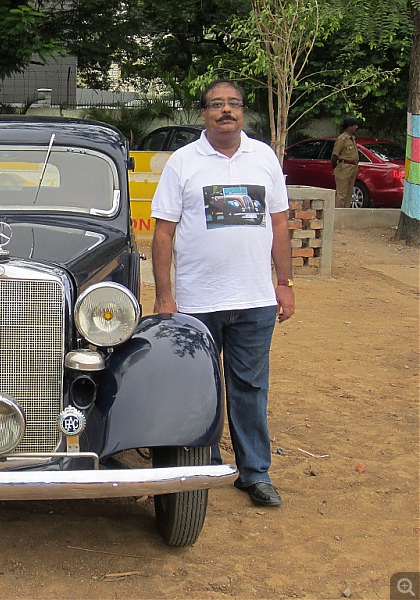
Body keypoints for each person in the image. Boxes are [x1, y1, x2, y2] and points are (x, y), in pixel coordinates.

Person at [150, 79, 295, 507]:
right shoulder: (183, 162)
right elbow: (163, 232)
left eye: (233, 104)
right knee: (202, 387)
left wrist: (283, 284)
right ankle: (208, 465)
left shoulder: (263, 158)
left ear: (244, 112)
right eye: (217, 105)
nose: (226, 111)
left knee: (250, 386)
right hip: (197, 302)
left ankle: (255, 473)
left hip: (254, 301)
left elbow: (281, 224)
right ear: (203, 114)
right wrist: (164, 296)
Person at [331, 118, 360, 208]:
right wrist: (337, 168)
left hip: (353, 167)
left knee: (349, 192)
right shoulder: (342, 138)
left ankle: (346, 211)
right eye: (354, 125)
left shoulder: (352, 139)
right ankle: (339, 212)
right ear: (349, 127)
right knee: (341, 193)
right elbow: (334, 155)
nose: (356, 127)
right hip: (344, 167)